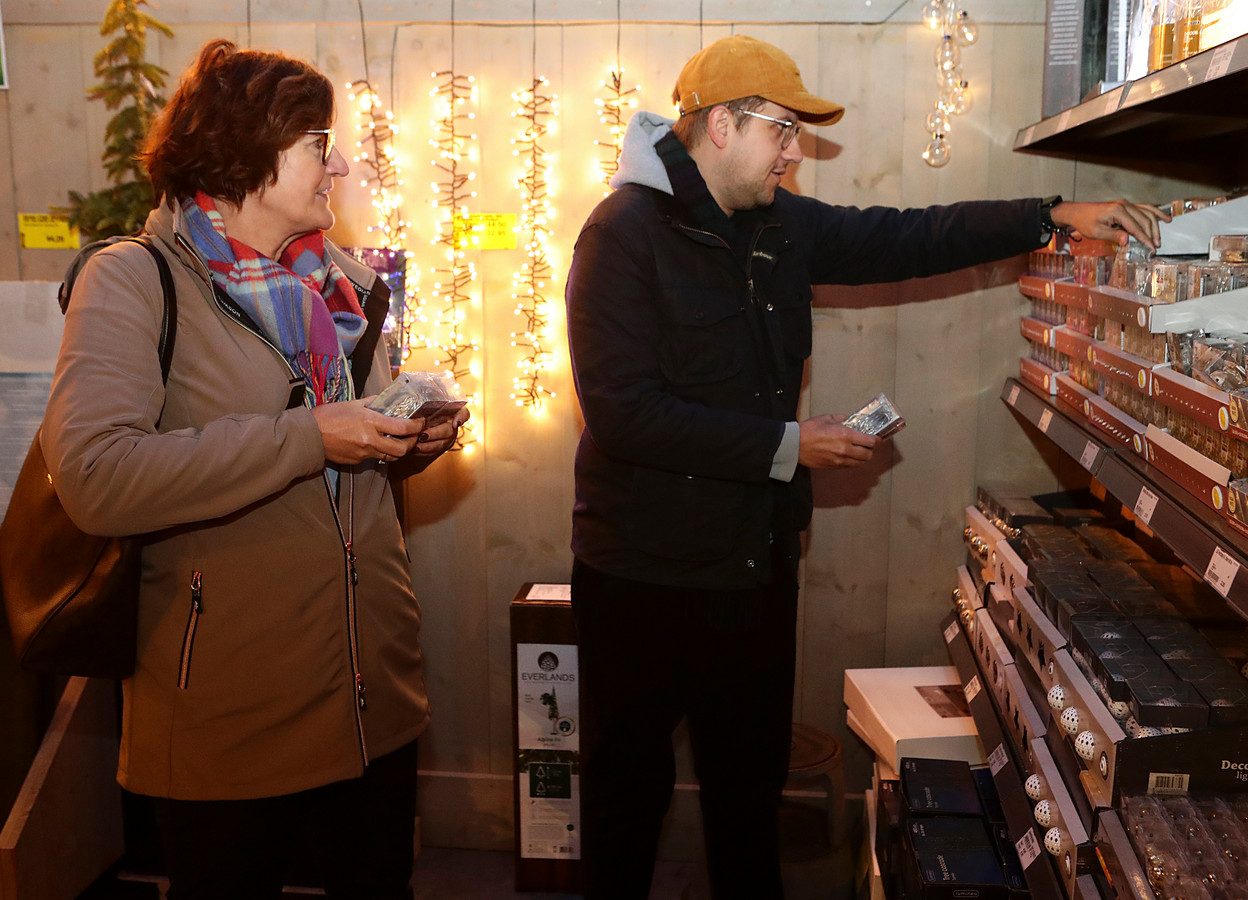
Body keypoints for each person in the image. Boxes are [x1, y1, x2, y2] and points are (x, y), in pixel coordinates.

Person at [564, 33, 1167, 899]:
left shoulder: (778, 224)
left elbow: (904, 238)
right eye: (782, 131)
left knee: (746, 804)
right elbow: (626, 415)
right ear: (723, 126)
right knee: (626, 804)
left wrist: (1048, 215)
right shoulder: (620, 235)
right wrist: (790, 447)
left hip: (754, 574)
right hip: (642, 579)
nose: (794, 152)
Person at [42, 39, 468, 899]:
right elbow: (95, 474)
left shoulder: (344, 286)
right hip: (226, 718)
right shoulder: (134, 282)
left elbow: (347, 458)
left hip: (369, 700)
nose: (340, 164)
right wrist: (312, 435)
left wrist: (404, 443)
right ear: (248, 152)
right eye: (318, 143)